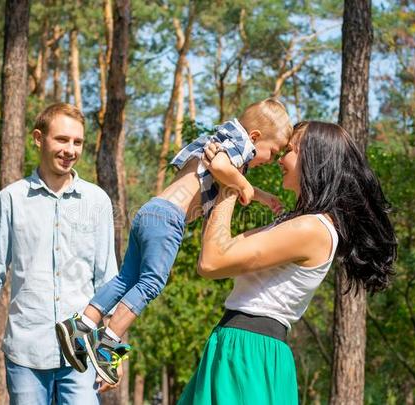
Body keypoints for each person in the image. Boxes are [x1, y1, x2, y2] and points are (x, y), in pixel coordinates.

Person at [56, 98, 293, 385]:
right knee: (151, 282)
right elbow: (220, 166)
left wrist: (264, 197)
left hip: (150, 210)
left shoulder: (222, 136)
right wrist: (242, 184)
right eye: (273, 151)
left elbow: (222, 168)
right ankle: (108, 343)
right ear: (255, 137)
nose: (270, 158)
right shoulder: (240, 147)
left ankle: (82, 324)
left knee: (126, 278)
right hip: (169, 220)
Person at [178, 121, 397, 404]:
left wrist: (230, 183)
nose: (280, 159)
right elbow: (219, 250)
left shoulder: (312, 229)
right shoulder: (296, 223)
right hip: (238, 347)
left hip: (249, 354)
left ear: (314, 160)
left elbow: (211, 262)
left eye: (291, 150)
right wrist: (231, 181)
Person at [0, 103, 118, 404]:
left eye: (77, 142)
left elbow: (108, 281)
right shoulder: (9, 200)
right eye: (61, 139)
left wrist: (112, 354)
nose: (70, 149)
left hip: (82, 353)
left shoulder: (98, 201)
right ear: (39, 138)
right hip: (25, 353)